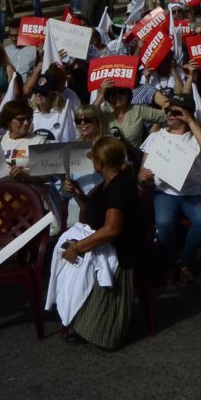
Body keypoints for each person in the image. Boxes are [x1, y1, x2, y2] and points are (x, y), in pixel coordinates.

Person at [56, 136, 143, 348]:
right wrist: (76, 192)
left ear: (101, 162)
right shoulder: (107, 184)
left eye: (94, 159)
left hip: (122, 254)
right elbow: (93, 212)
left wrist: (78, 247)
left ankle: (100, 324)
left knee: (105, 337)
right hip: (107, 246)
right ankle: (76, 312)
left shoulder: (120, 187)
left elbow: (112, 229)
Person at [139, 97, 201, 282]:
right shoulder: (156, 137)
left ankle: (184, 262)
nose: (170, 115)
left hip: (194, 194)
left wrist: (191, 121)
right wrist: (143, 176)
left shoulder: (198, 137)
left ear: (186, 114)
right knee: (164, 222)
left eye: (176, 112)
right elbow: (141, 171)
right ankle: (174, 262)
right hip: (165, 193)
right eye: (168, 111)